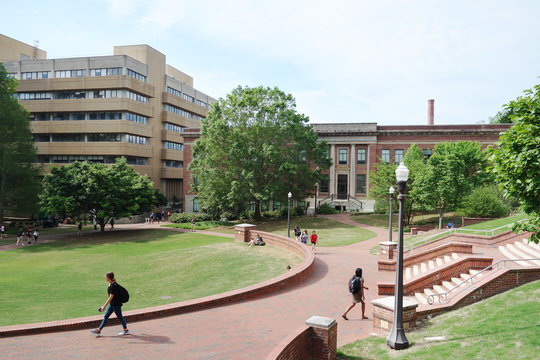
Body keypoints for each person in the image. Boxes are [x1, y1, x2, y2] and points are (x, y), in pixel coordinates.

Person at [90, 272, 129, 336]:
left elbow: (111, 297)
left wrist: (104, 306)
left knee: (120, 317)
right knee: (106, 316)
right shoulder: (111, 284)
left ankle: (126, 330)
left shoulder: (113, 286)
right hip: (112, 304)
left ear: (108, 277)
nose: (105, 278)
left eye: (105, 277)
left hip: (116, 304)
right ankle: (99, 330)